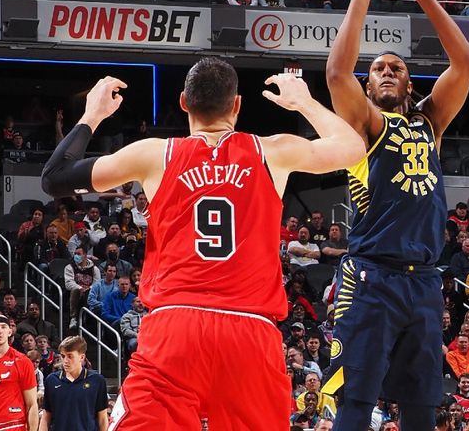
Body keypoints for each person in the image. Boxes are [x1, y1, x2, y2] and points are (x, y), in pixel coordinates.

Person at [40, 61, 365, 428]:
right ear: (237, 105)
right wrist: (304, 103)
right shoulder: (271, 151)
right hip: (250, 331)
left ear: (182, 102)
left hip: (174, 326)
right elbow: (353, 147)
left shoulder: (154, 154)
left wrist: (93, 114)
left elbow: (54, 179)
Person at [321, 0, 469, 431]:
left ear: (410, 84)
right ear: (371, 86)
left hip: (425, 280)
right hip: (371, 278)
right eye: (379, 69)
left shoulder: (430, 122)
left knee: (421, 407)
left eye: (396, 68)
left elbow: (466, 64)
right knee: (356, 401)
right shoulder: (365, 123)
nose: (386, 70)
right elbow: (336, 74)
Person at [39, 336, 108, 431]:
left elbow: (103, 418)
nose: (65, 361)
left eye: (70, 356)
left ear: (82, 357)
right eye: (63, 356)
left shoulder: (97, 380)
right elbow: (46, 416)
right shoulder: (51, 380)